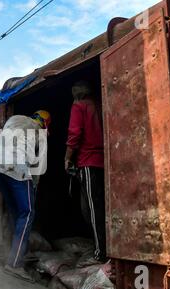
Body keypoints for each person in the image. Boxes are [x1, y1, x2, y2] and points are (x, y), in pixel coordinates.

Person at [0, 110, 51, 283]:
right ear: (45, 123)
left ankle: (14, 252)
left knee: (15, 211)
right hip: (16, 168)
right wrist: (34, 187)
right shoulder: (40, 132)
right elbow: (38, 167)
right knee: (28, 212)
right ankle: (15, 263)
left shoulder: (15, 118)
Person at [65, 80, 106, 263]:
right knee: (96, 207)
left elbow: (74, 134)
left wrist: (67, 158)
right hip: (104, 162)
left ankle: (100, 253)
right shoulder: (100, 104)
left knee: (92, 209)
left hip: (88, 162)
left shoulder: (79, 107)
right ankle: (101, 247)